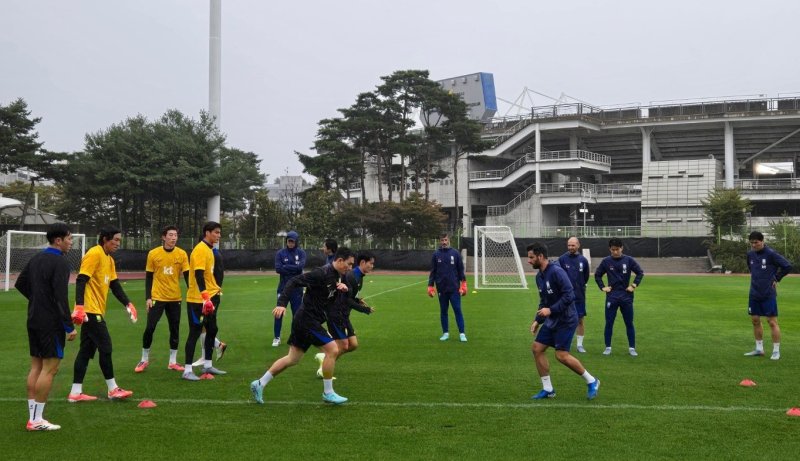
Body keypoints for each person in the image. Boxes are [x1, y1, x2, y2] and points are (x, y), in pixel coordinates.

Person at [250, 247, 354, 405]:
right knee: (332, 349)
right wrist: (282, 304)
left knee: (292, 358)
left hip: (307, 320)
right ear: (339, 261)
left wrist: (342, 290)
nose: (350, 268)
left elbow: (326, 298)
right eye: (349, 264)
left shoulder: (337, 276)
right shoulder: (321, 273)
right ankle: (328, 392)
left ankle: (259, 383)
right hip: (307, 320)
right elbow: (294, 281)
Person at [16, 223, 77, 430]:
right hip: (51, 323)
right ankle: (36, 420)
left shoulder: (36, 259)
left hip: (33, 319)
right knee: (49, 369)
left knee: (36, 367)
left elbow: (20, 284)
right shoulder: (60, 263)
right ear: (58, 240)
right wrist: (69, 327)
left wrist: (37, 300)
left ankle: (33, 418)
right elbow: (60, 297)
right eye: (69, 238)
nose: (71, 242)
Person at [67, 226, 137, 402]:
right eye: (116, 240)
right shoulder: (94, 253)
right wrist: (80, 307)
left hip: (96, 310)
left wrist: (128, 303)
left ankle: (75, 392)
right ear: (105, 239)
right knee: (106, 347)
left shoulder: (109, 260)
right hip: (90, 311)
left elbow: (114, 285)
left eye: (119, 241)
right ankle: (113, 389)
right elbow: (81, 279)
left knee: (85, 351)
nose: (118, 244)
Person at [528, 243, 600, 400]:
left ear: (540, 256)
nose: (529, 261)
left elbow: (569, 296)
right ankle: (548, 389)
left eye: (531, 257)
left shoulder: (557, 272)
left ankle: (592, 381)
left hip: (566, 319)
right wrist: (537, 320)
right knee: (537, 348)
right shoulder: (539, 276)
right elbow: (544, 301)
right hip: (552, 319)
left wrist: (551, 310)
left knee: (561, 355)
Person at [135, 226, 189, 373]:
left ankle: (173, 361)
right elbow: (148, 277)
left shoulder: (182, 254)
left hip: (175, 298)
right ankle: (143, 359)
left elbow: (188, 275)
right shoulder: (153, 254)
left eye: (176, 235)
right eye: (170, 235)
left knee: (175, 329)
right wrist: (148, 297)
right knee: (150, 328)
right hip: (157, 297)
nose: (173, 238)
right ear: (163, 237)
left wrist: (192, 292)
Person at [314, 251, 376, 377]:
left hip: (343, 315)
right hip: (336, 314)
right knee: (343, 345)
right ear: (363, 263)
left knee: (353, 345)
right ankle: (324, 368)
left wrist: (358, 299)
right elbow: (346, 299)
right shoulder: (352, 276)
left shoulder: (359, 277)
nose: (372, 266)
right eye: (371, 263)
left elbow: (350, 295)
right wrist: (365, 309)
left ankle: (325, 358)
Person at [744, 231, 792, 360]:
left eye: (756, 242)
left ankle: (776, 351)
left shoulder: (771, 254)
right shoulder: (750, 255)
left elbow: (787, 266)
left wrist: (776, 278)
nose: (754, 245)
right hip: (754, 293)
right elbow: (752, 269)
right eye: (752, 243)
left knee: (771, 322)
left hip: (768, 293)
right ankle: (759, 349)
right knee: (755, 320)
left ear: (762, 241)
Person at [594, 237, 644, 356]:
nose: (615, 252)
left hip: (626, 296)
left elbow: (640, 272)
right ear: (609, 249)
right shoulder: (606, 261)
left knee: (629, 322)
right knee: (609, 322)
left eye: (617, 249)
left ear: (622, 248)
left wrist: (633, 285)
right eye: (613, 250)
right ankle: (608, 347)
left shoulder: (629, 260)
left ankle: (632, 348)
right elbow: (597, 275)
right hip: (612, 296)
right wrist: (602, 287)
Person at [427, 233, 468, 342]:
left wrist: (463, 283)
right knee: (443, 311)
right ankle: (445, 333)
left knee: (457, 310)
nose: (444, 242)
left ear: (449, 240)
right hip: (442, 289)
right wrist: (430, 286)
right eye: (442, 240)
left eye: (445, 240)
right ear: (439, 241)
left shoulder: (455, 253)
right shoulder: (436, 254)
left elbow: (460, 270)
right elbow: (433, 272)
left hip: (454, 289)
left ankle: (462, 334)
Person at [272, 231, 306, 347]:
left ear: (296, 242)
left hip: (297, 289)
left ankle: (294, 336)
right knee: (278, 313)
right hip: (283, 288)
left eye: (292, 241)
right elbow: (278, 269)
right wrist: (294, 268)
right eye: (288, 241)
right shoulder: (280, 253)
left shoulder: (301, 253)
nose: (290, 243)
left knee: (296, 314)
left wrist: (286, 267)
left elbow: (300, 268)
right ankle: (276, 337)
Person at [558, 237, 591, 353]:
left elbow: (586, 277)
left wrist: (579, 286)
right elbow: (558, 277)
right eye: (569, 245)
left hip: (579, 295)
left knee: (580, 320)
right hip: (565, 296)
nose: (571, 247)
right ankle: (563, 344)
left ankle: (580, 345)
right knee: (564, 320)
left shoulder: (583, 260)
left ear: (578, 245)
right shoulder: (562, 259)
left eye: (573, 245)